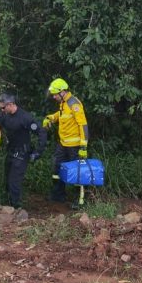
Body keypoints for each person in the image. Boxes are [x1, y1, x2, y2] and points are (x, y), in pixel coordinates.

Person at [43, 78, 89, 208]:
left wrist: (83, 147)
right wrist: (51, 117)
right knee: (57, 168)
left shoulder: (74, 103)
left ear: (62, 92)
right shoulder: (64, 103)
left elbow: (83, 125)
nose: (54, 97)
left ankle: (80, 200)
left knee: (77, 172)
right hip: (63, 144)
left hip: (74, 146)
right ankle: (58, 195)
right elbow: (62, 115)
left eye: (55, 94)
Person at [0, 92, 47, 208]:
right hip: (10, 150)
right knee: (7, 179)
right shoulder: (4, 115)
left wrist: (38, 151)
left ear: (10, 104)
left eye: (3, 107)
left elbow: (41, 132)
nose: (2, 110)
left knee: (14, 181)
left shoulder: (25, 117)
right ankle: (7, 204)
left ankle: (17, 208)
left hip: (22, 153)